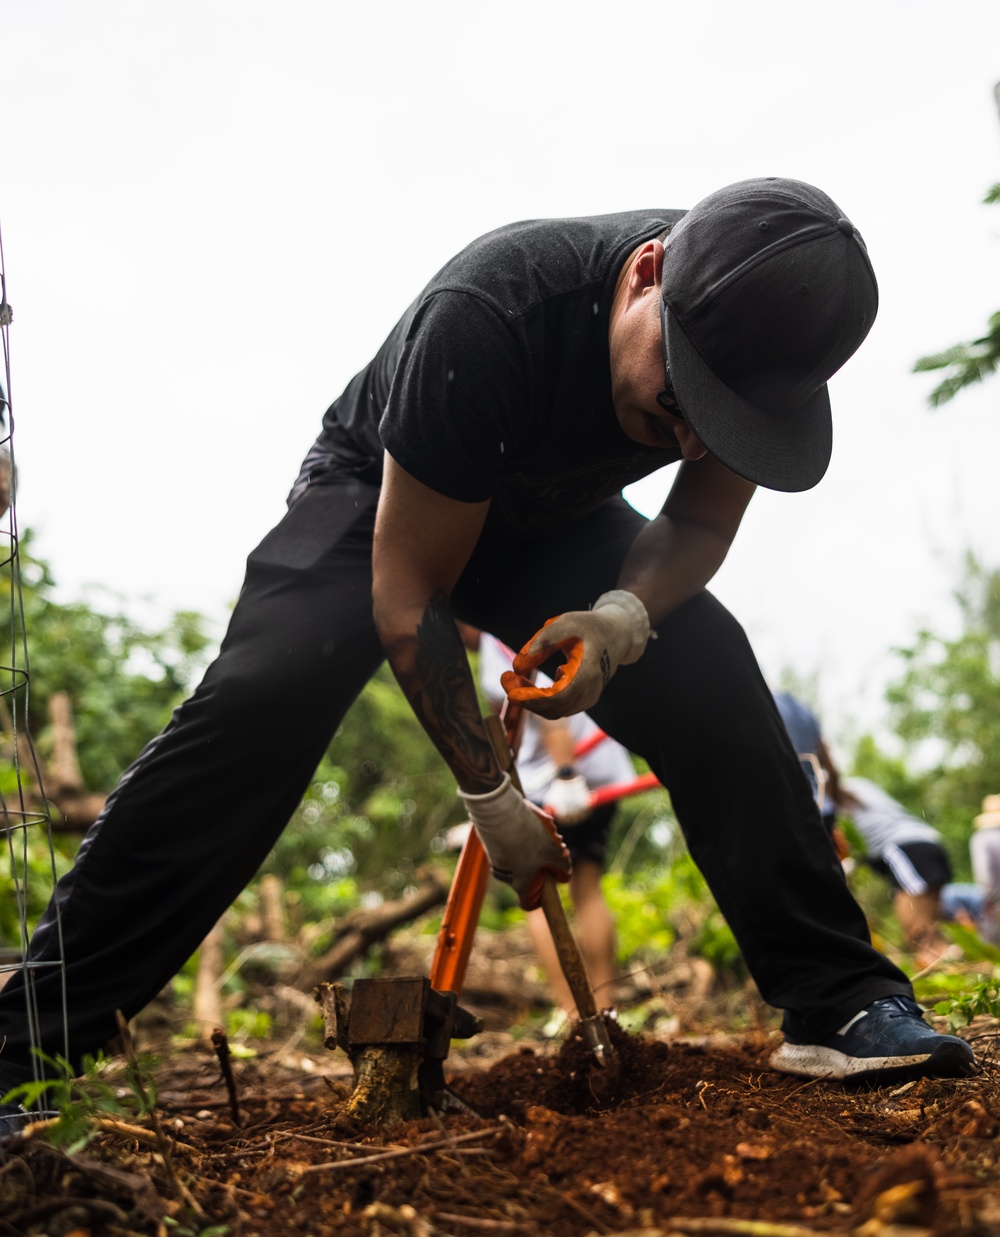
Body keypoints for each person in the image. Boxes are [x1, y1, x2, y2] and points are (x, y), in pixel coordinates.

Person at [0, 177, 975, 1132]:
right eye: (682, 395)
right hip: (380, 500)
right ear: (645, 274)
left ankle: (837, 998)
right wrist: (492, 795)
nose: (689, 434)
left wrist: (623, 615)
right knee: (261, 703)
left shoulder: (758, 343)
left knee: (706, 665)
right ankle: (22, 1053)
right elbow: (410, 591)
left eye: (718, 421)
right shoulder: (492, 315)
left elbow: (699, 517)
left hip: (556, 520)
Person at [475, 627, 633, 1020]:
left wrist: (565, 774)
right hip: (599, 773)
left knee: (537, 895)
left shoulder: (496, 638)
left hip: (556, 781)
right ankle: (605, 1008)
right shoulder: (528, 620)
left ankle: (575, 1013)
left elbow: (546, 702)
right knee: (587, 888)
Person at [836, 776, 953, 967]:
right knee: (931, 925)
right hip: (930, 842)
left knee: (917, 931)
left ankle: (936, 969)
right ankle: (948, 968)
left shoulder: (831, 793)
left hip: (905, 848)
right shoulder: (861, 785)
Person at [772, 690, 840, 835]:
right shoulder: (802, 709)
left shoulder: (766, 709)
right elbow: (832, 771)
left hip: (790, 817)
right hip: (823, 811)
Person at [969, 794, 1000, 944]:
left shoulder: (981, 838)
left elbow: (984, 871)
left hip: (994, 896)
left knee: (993, 938)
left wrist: (987, 895)